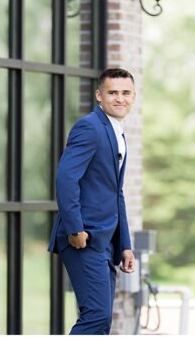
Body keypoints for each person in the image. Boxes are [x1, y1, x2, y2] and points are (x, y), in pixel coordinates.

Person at [48, 68, 138, 334]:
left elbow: (115, 192)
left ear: (133, 97)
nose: (119, 98)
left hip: (106, 242)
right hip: (83, 239)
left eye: (125, 93)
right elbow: (66, 180)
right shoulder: (89, 127)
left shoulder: (117, 132)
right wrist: (75, 229)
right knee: (96, 317)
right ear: (99, 95)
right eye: (112, 92)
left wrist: (125, 245)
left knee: (101, 321)